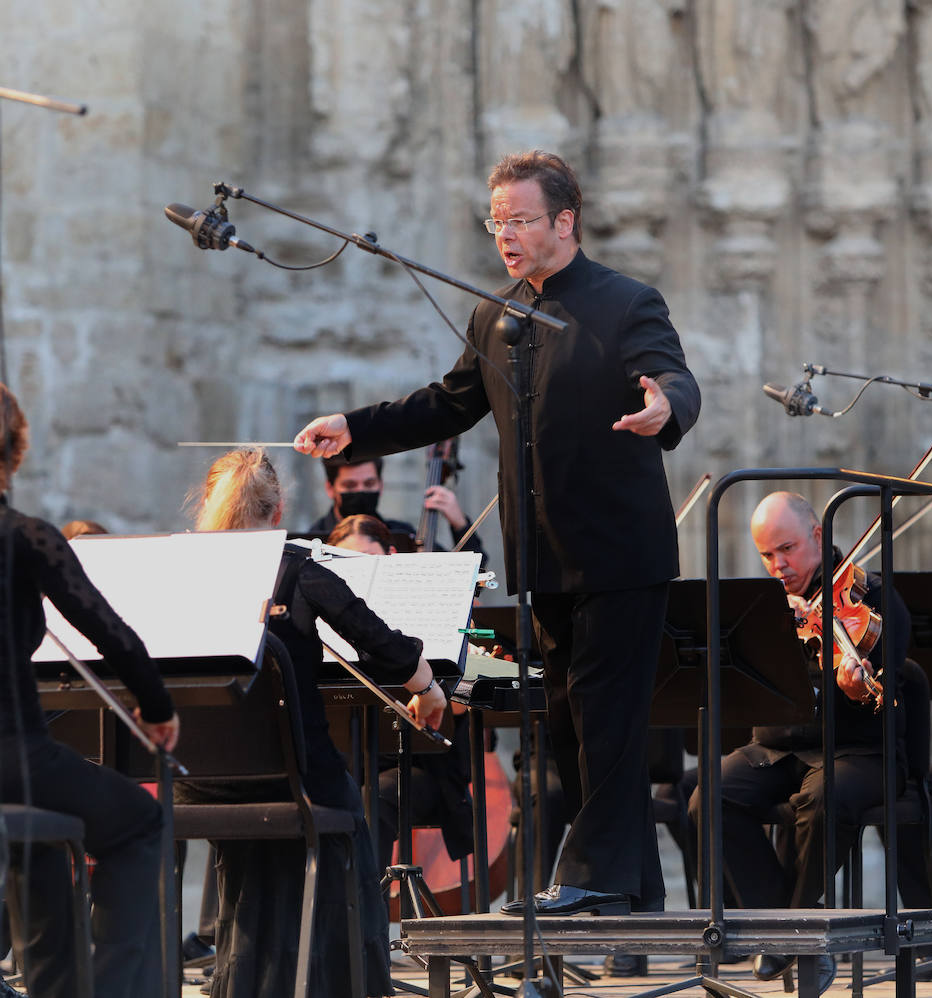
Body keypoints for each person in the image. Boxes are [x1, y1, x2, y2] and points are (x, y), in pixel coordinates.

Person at [295, 149, 700, 916]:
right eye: (497, 222)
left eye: (520, 220)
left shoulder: (626, 302)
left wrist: (666, 407)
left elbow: (672, 376)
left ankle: (593, 876)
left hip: (622, 553)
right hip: (544, 557)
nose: (506, 235)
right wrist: (353, 429)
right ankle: (629, 886)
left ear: (564, 221)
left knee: (608, 717)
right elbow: (445, 404)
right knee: (569, 723)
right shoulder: (498, 315)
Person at [0, 373, 180, 998]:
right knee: (141, 822)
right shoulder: (24, 535)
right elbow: (109, 632)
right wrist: (157, 709)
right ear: (14, 446)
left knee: (42, 838)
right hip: (9, 759)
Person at [181, 448, 445, 998]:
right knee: (348, 812)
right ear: (277, 512)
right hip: (296, 781)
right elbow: (382, 645)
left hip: (197, 787)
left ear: (207, 505)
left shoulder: (175, 575)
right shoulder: (299, 571)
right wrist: (428, 687)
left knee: (262, 833)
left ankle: (249, 978)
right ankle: (340, 984)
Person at [689, 491, 910, 989]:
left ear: (817, 535)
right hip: (774, 748)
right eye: (766, 555)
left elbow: (893, 679)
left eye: (785, 549)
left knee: (824, 796)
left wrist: (855, 687)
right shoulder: (763, 605)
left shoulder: (873, 595)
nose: (777, 565)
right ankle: (785, 930)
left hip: (857, 750)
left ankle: (796, 933)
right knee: (709, 798)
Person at [326, 514, 476, 874]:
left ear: (391, 556)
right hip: (344, 765)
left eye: (368, 561)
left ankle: (364, 923)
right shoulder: (322, 614)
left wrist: (448, 679)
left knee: (373, 796)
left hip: (417, 768)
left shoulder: (426, 610)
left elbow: (457, 710)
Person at [308, 455, 486, 559]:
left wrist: (460, 524)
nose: (360, 491)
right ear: (330, 488)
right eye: (350, 486)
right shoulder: (313, 541)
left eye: (369, 484)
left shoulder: (403, 536)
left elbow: (473, 572)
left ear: (381, 485)